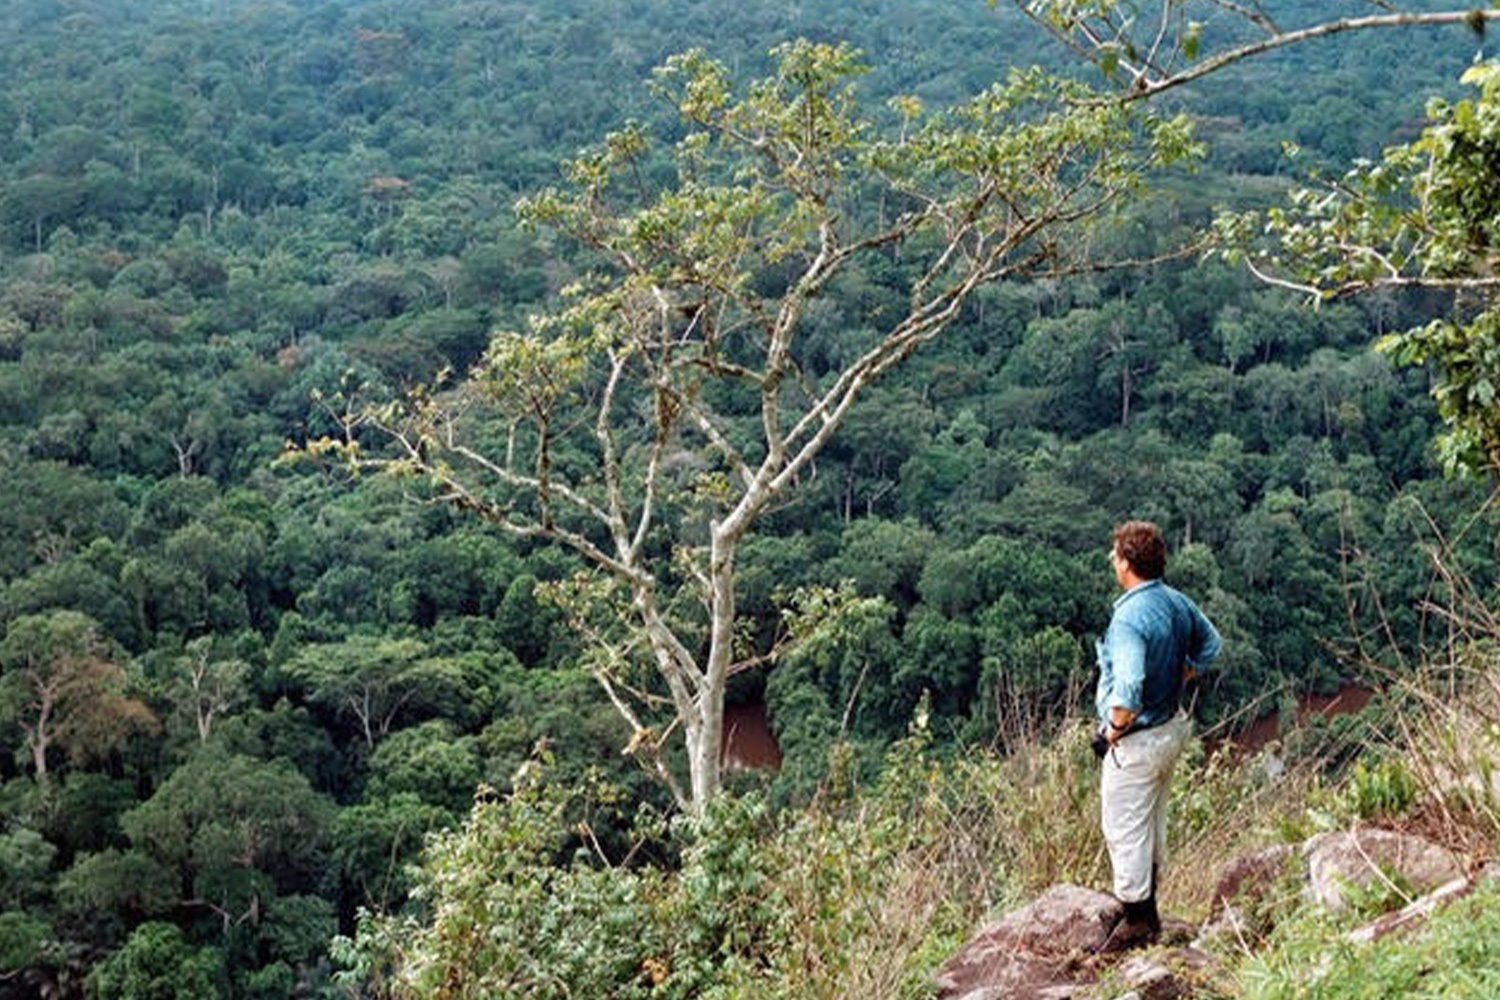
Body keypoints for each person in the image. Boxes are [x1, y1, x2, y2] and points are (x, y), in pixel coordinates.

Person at [1093, 520, 1221, 953]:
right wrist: (1181, 672)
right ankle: (1145, 907)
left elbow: (1127, 690)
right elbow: (1210, 645)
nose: (1113, 560)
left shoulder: (1129, 617)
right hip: (1171, 728)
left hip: (1140, 738)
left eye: (1116, 554)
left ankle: (1136, 920)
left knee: (1124, 825)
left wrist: (1112, 730)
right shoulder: (1174, 601)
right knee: (1151, 819)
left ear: (1127, 563)